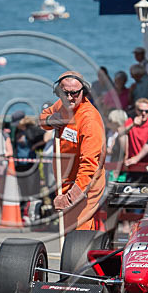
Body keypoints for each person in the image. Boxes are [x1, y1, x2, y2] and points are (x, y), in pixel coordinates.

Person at [40, 70, 106, 231]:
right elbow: (43, 117)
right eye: (65, 93)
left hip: (85, 184)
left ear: (83, 92)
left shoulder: (89, 120)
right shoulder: (62, 105)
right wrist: (50, 120)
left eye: (74, 93)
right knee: (68, 231)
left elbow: (89, 165)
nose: (69, 98)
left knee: (79, 233)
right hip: (65, 181)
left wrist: (70, 198)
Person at [13, 115, 46, 213]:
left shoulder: (32, 129)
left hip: (31, 164)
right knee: (23, 191)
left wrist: (35, 145)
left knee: (33, 189)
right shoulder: (17, 132)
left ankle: (36, 211)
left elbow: (46, 136)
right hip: (19, 165)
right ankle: (23, 212)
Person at [118, 98, 148, 179]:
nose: (143, 113)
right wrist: (133, 125)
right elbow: (119, 133)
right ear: (136, 110)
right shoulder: (130, 121)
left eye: (146, 111)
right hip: (132, 164)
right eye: (140, 110)